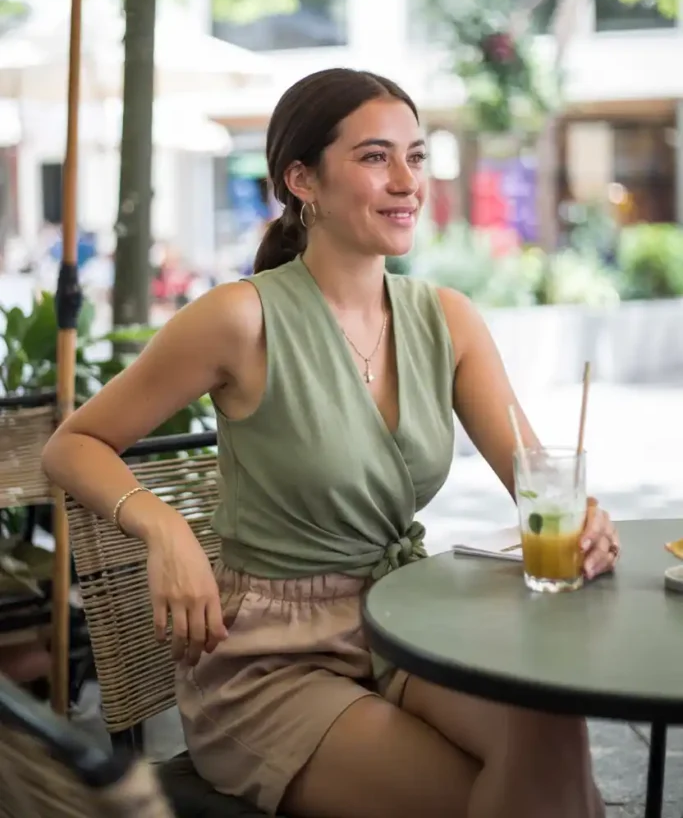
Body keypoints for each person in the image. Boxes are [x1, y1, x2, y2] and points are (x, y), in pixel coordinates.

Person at [42, 68, 619, 818]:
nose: (407, 180)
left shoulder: (446, 318)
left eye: (416, 156)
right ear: (301, 178)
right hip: (266, 659)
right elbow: (72, 443)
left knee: (549, 724)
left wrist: (586, 523)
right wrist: (163, 526)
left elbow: (540, 481)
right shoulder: (237, 319)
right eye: (376, 157)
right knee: (506, 797)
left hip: (405, 622)